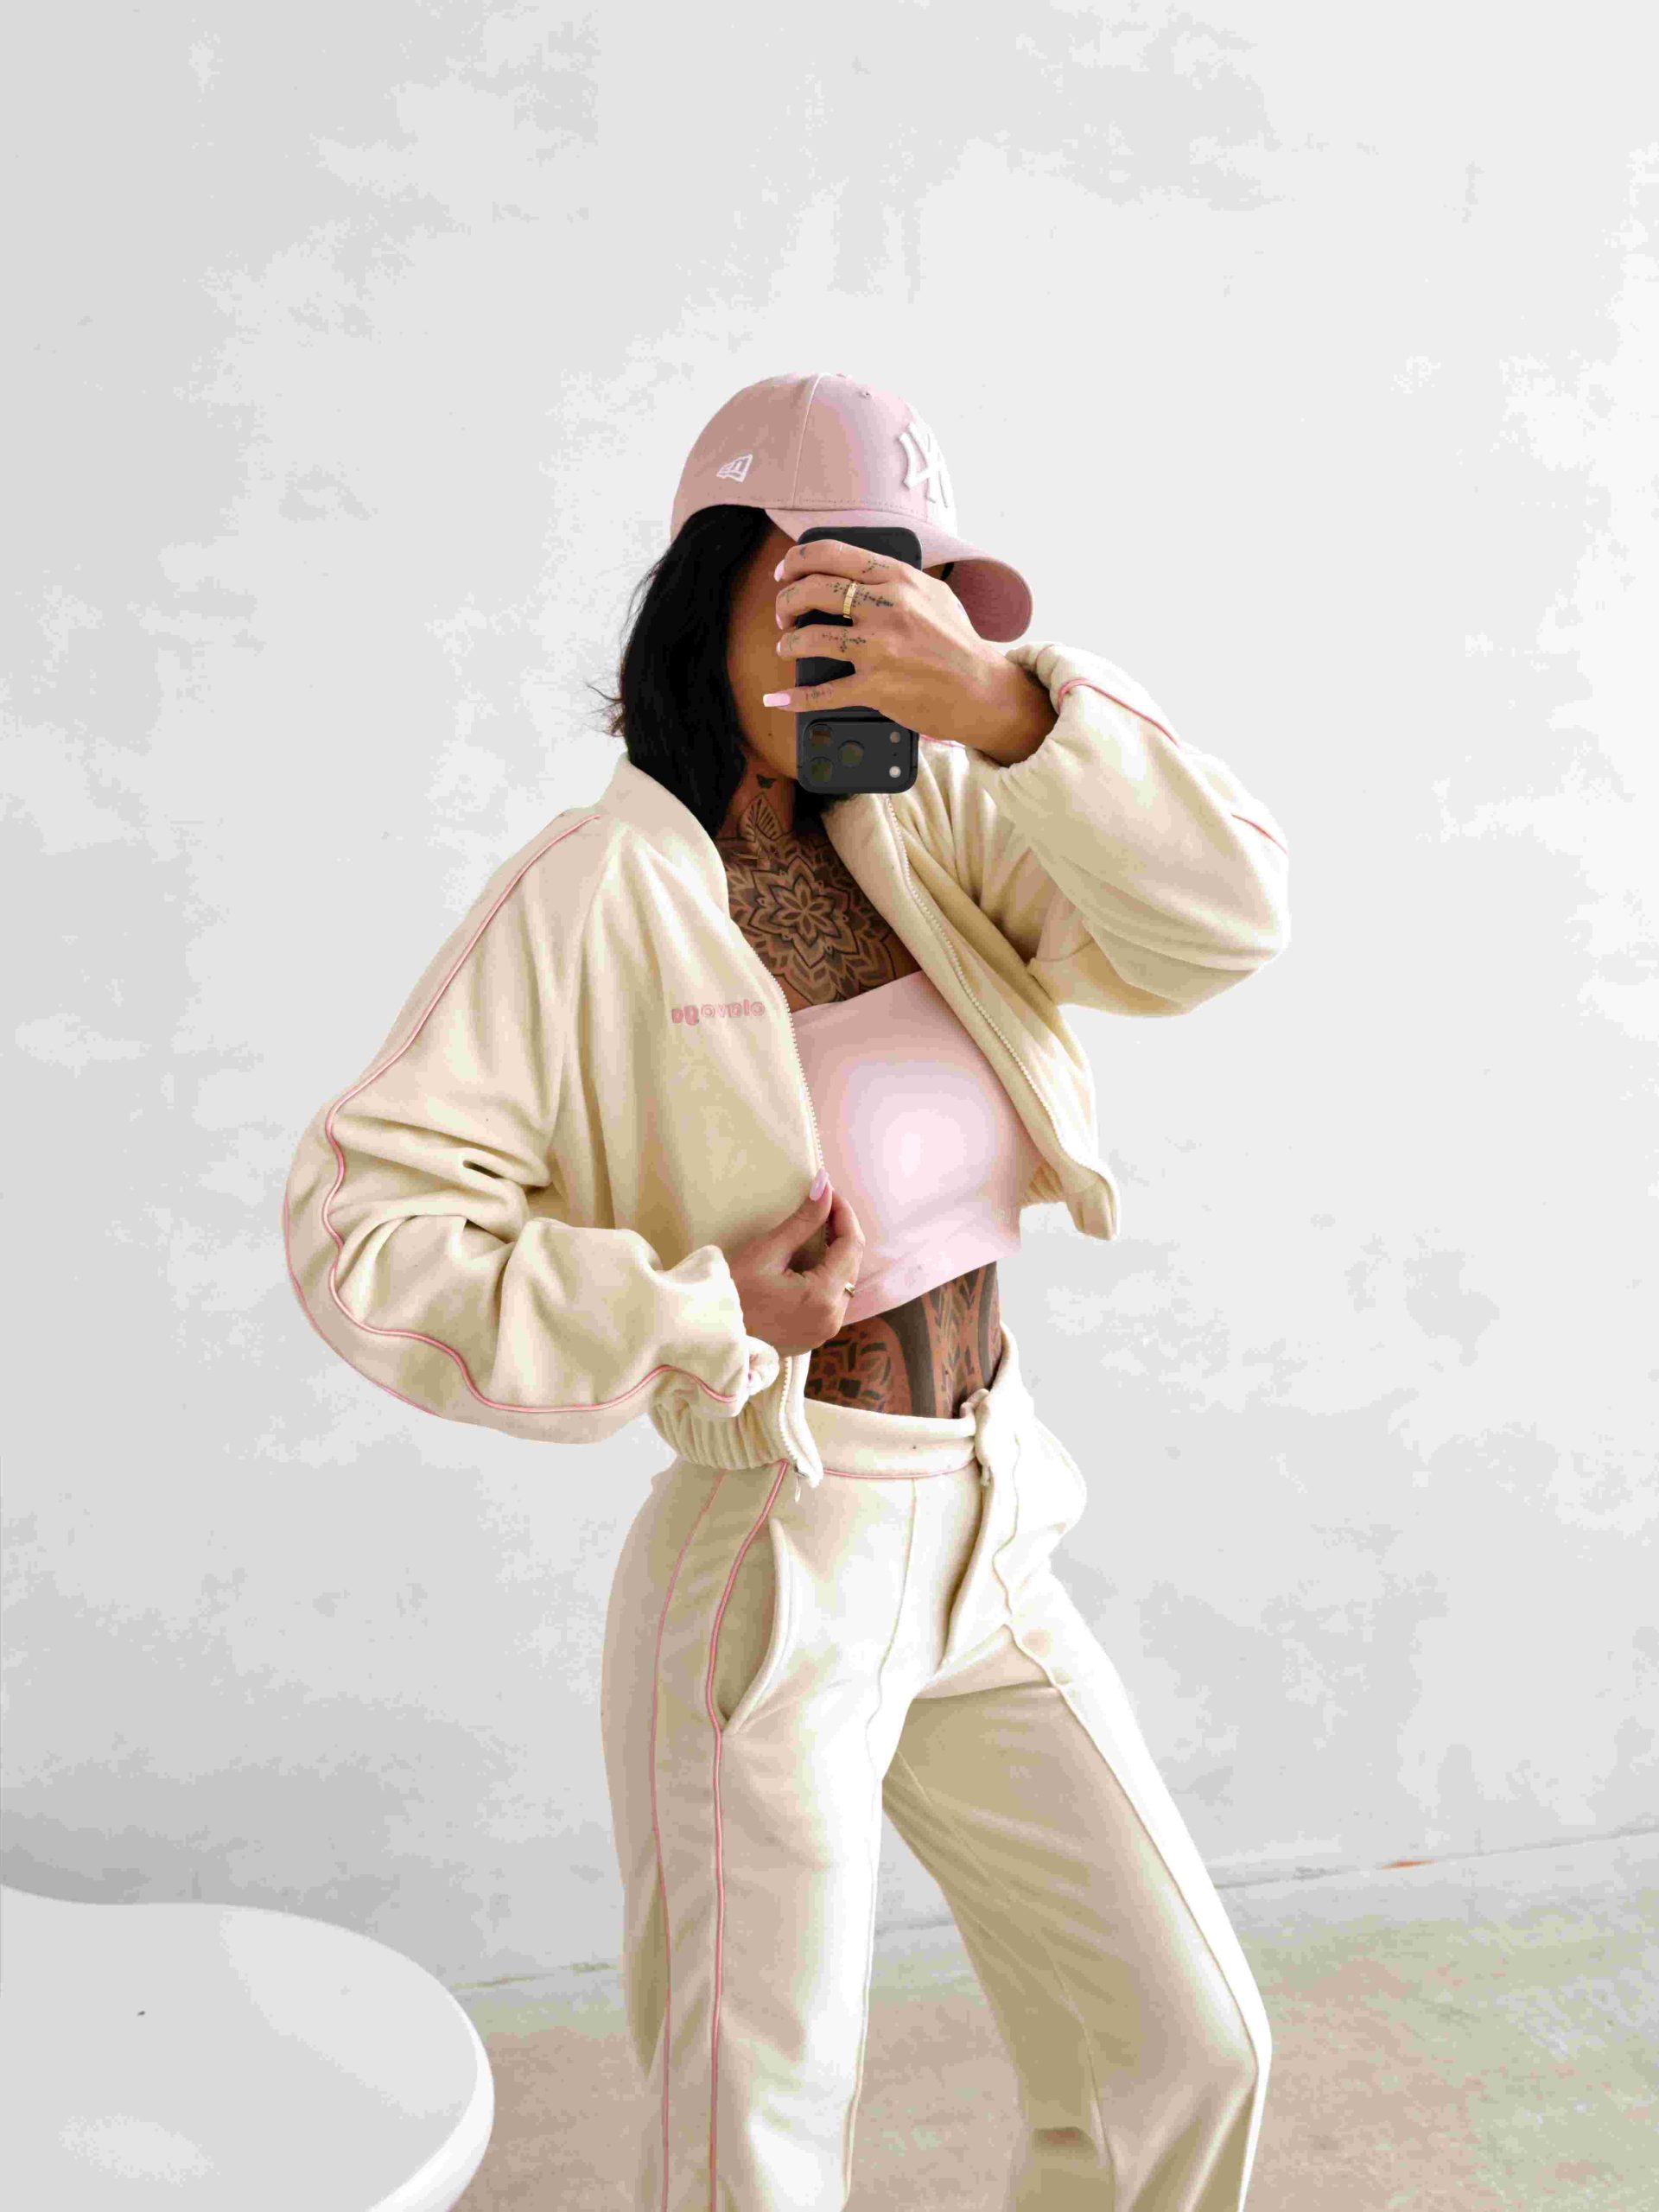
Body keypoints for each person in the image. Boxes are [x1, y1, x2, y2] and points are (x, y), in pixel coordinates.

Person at [282, 371, 1293, 2209]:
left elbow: (1224, 919)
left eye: (909, 599)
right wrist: (699, 1305)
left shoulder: (941, 834)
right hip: (776, 1557)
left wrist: (1007, 711)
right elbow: (367, 1225)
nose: (869, 648)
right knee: (759, 2132)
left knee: (1187, 2045)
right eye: (830, 598)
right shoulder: (595, 895)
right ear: (714, 600)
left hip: (994, 1528)